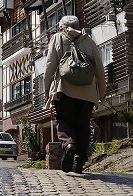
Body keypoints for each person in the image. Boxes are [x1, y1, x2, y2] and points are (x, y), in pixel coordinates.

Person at [44, 15, 106, 174]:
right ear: (78, 26)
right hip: (88, 92)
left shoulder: (58, 38)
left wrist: (47, 91)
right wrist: (102, 94)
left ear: (61, 27)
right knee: (83, 125)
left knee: (64, 120)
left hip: (64, 89)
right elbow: (100, 70)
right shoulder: (89, 41)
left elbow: (50, 67)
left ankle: (69, 145)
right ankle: (79, 160)